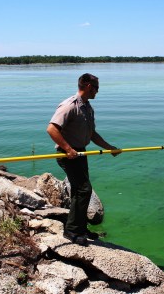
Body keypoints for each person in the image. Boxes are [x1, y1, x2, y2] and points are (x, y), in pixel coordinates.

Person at [47, 73, 121, 246]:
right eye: (96, 88)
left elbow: (92, 134)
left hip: (81, 153)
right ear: (88, 86)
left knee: (79, 191)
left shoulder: (87, 107)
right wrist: (68, 149)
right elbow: (51, 129)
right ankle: (71, 231)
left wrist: (110, 148)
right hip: (68, 154)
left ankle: (80, 228)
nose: (97, 92)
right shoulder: (69, 106)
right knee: (84, 190)